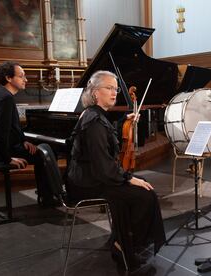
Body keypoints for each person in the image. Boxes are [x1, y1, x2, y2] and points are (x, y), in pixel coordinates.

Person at [66, 70, 166, 271]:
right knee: (145, 195)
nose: (114, 93)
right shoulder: (94, 121)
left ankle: (123, 240)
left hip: (89, 176)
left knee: (141, 189)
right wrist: (128, 178)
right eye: (108, 88)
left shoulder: (94, 114)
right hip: (88, 183)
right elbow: (104, 167)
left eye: (115, 88)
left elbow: (106, 142)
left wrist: (122, 123)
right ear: (95, 92)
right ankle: (125, 244)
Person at [0, 61, 49, 205]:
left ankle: (46, 193)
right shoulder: (6, 98)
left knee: (41, 151)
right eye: (21, 76)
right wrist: (8, 159)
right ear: (8, 78)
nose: (25, 80)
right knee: (44, 154)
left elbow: (11, 127)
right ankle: (48, 197)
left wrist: (23, 140)